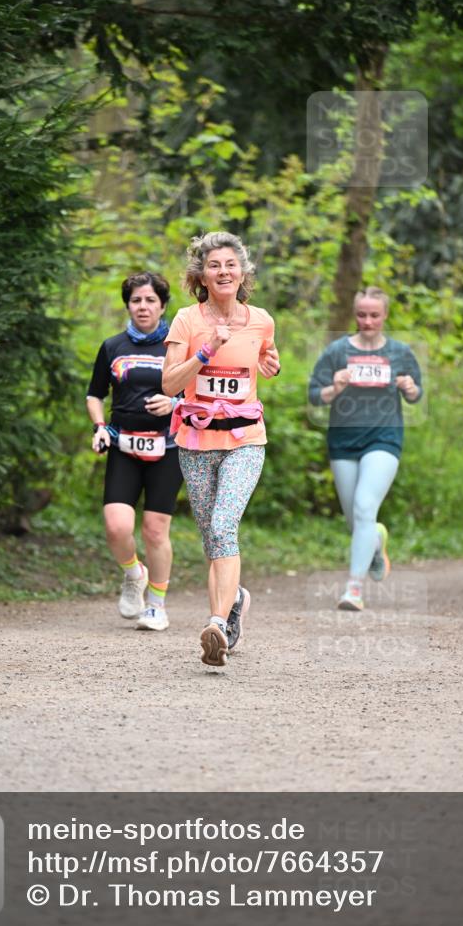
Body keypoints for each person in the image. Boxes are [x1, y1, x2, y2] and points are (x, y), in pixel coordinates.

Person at [162, 231, 280, 667]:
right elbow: (168, 383)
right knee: (213, 537)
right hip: (196, 441)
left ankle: (217, 624)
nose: (224, 271)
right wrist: (205, 352)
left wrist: (272, 363)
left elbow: (266, 357)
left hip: (245, 439)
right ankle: (235, 603)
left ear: (243, 273)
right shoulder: (186, 320)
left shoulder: (261, 320)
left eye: (231, 264)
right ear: (201, 276)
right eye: (214, 265)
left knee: (224, 524)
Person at [308, 287, 423, 610]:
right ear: (354, 314)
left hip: (384, 439)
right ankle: (376, 540)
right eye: (362, 315)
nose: (368, 321)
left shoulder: (400, 352)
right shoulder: (337, 351)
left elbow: (417, 394)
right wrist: (334, 388)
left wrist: (410, 388)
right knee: (356, 521)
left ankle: (353, 590)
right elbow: (315, 395)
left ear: (385, 315)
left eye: (374, 315)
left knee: (363, 507)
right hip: (343, 441)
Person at [86, 272, 182, 631]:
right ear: (128, 305)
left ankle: (156, 605)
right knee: (116, 526)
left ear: (162, 305)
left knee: (155, 530)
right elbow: (94, 394)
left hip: (168, 448)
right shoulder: (113, 347)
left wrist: (174, 404)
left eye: (150, 300)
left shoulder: (177, 348)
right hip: (123, 444)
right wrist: (99, 427)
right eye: (136, 300)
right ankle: (133, 574)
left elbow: (195, 397)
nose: (143, 307)